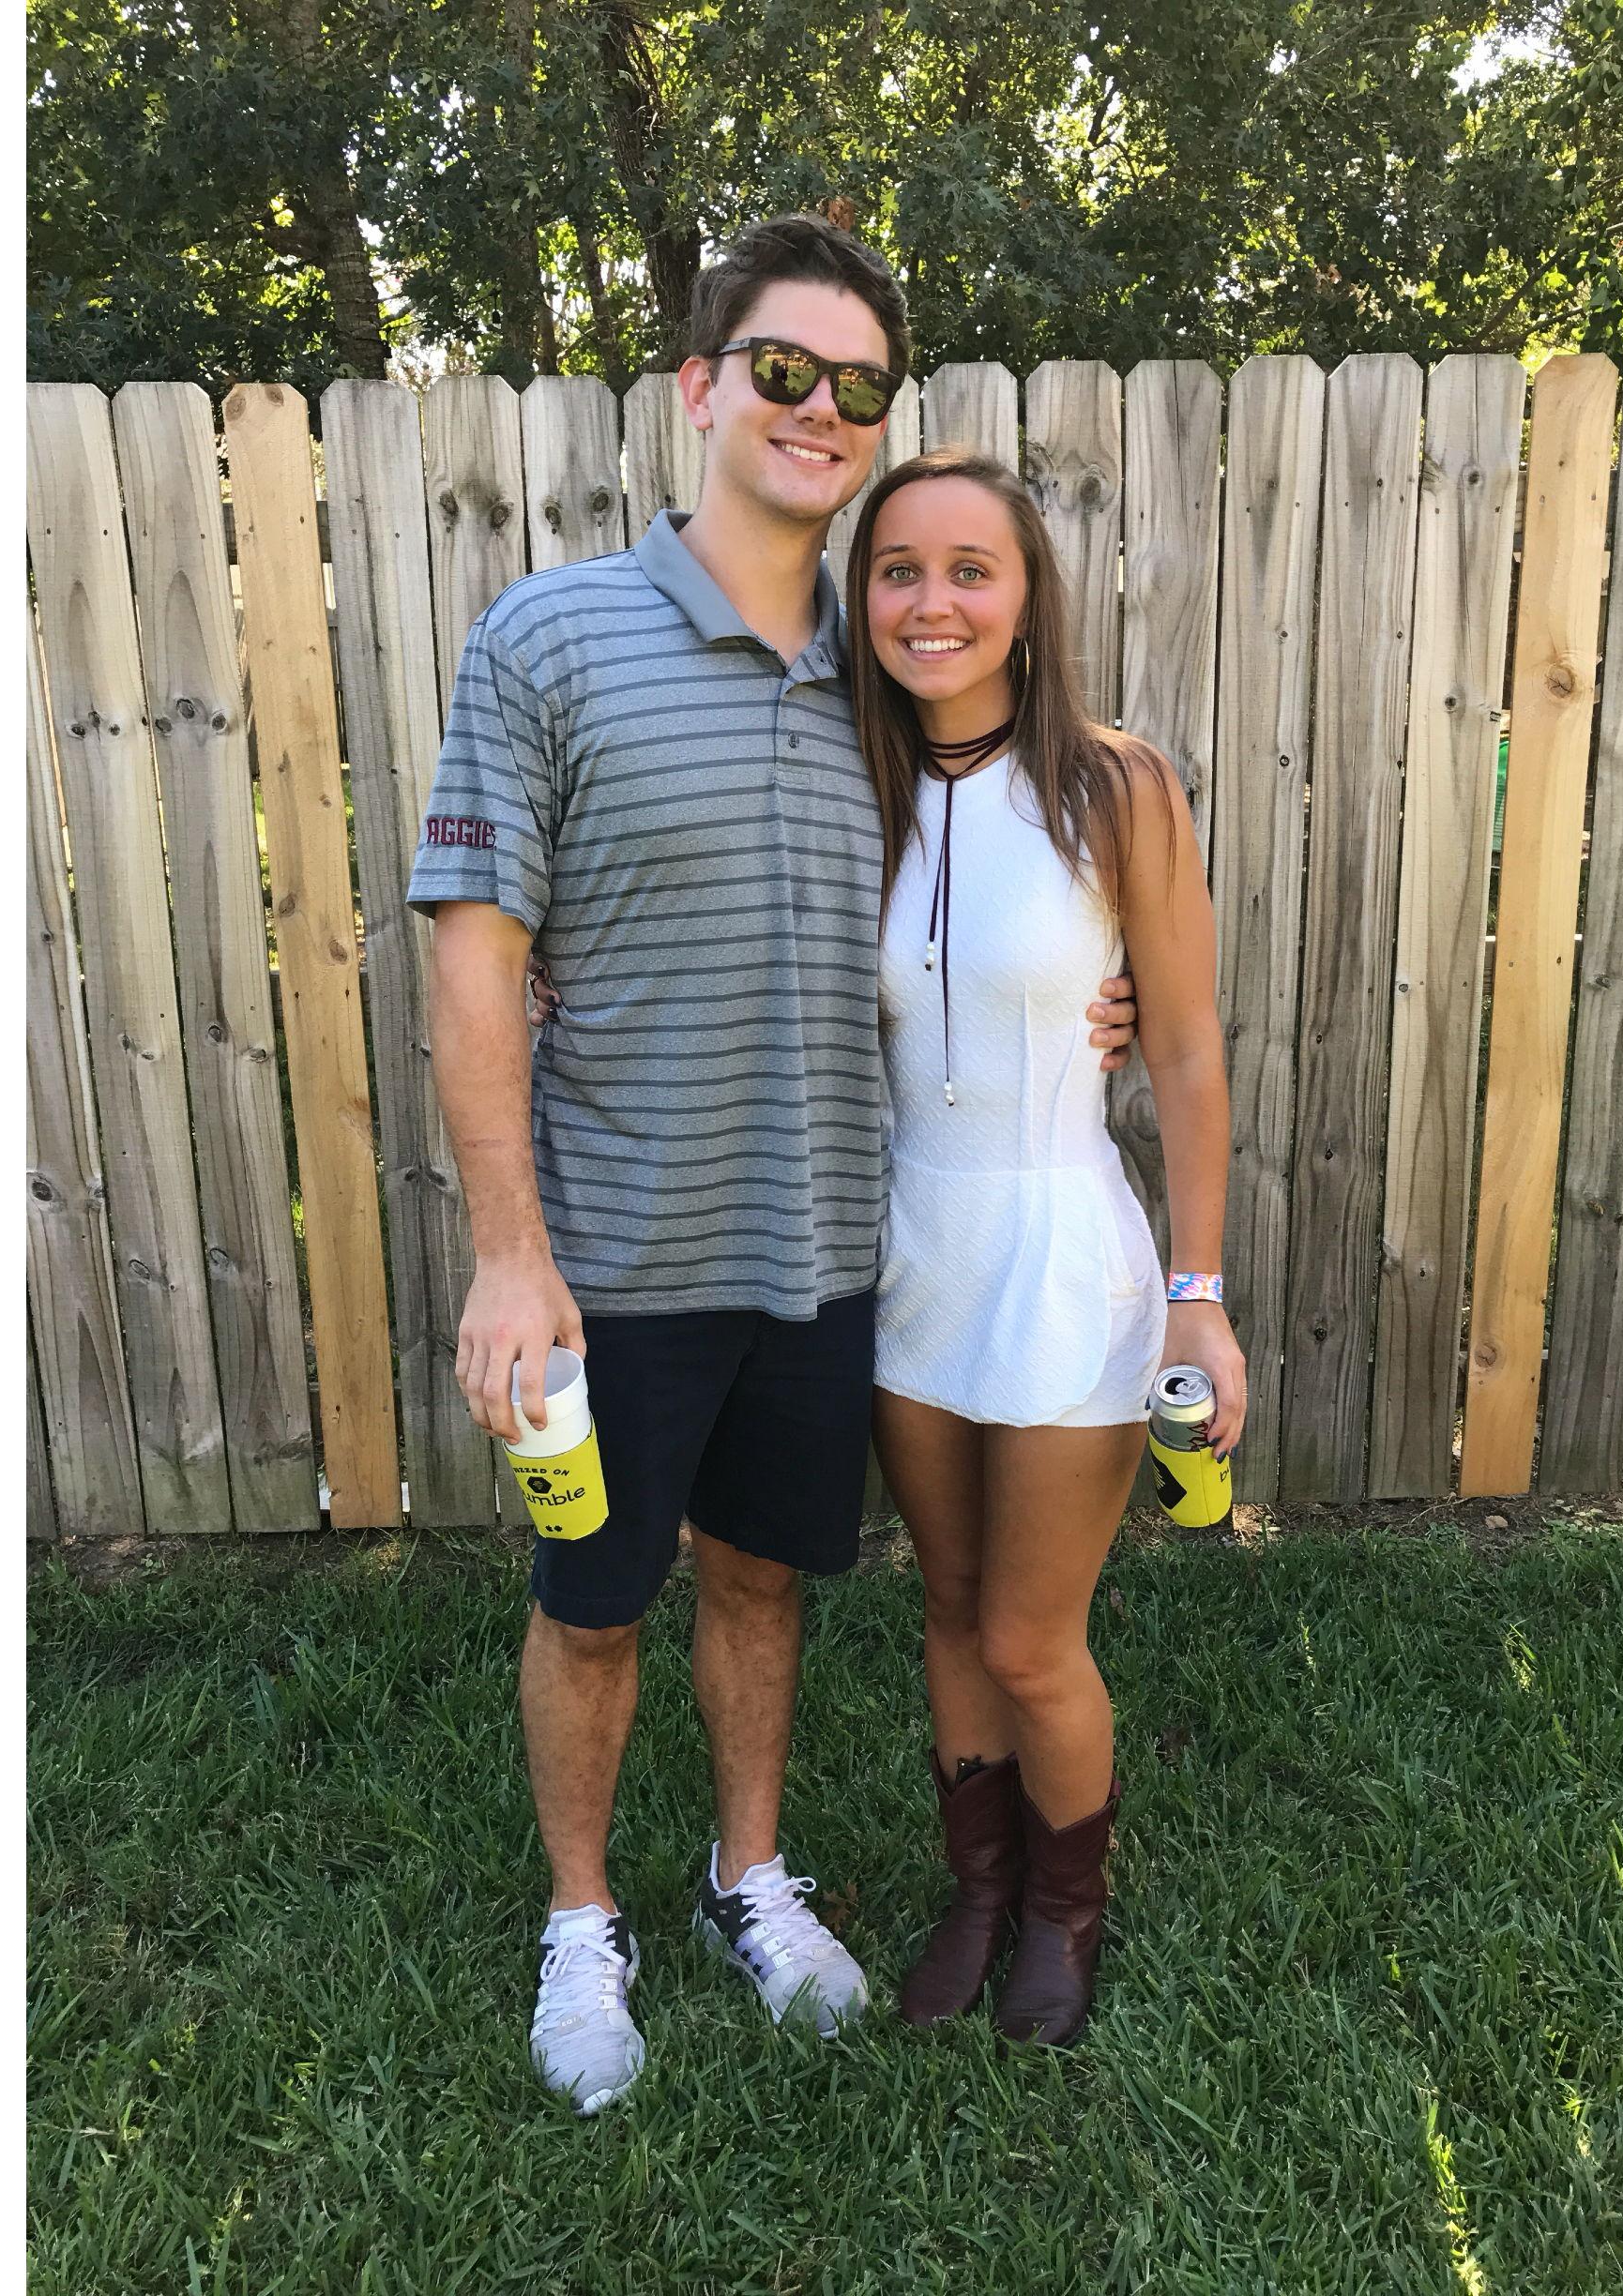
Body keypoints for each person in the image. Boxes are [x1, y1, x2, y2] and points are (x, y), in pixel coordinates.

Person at [406, 215, 1138, 2115]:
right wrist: (509, 1250)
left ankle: (751, 1874)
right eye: (785, 370)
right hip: (616, 1251)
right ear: (701, 388)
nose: (821, 408)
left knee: (761, 1582)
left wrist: (1098, 996)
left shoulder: (894, 678)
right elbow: (476, 953)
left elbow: (998, 891)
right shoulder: (549, 639)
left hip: (828, 1249)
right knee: (594, 1606)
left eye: (858, 385)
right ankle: (583, 1920)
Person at [847, 449, 1249, 2048]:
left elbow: (1190, 1049)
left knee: (1028, 1633)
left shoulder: (1112, 788)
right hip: (910, 1252)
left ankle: (1068, 1912)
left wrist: (1200, 1298)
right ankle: (980, 1891)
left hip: (1063, 1247)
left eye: (971, 569)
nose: (931, 601)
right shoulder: (850, 782)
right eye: (898, 570)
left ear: (1027, 601)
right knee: (949, 1607)